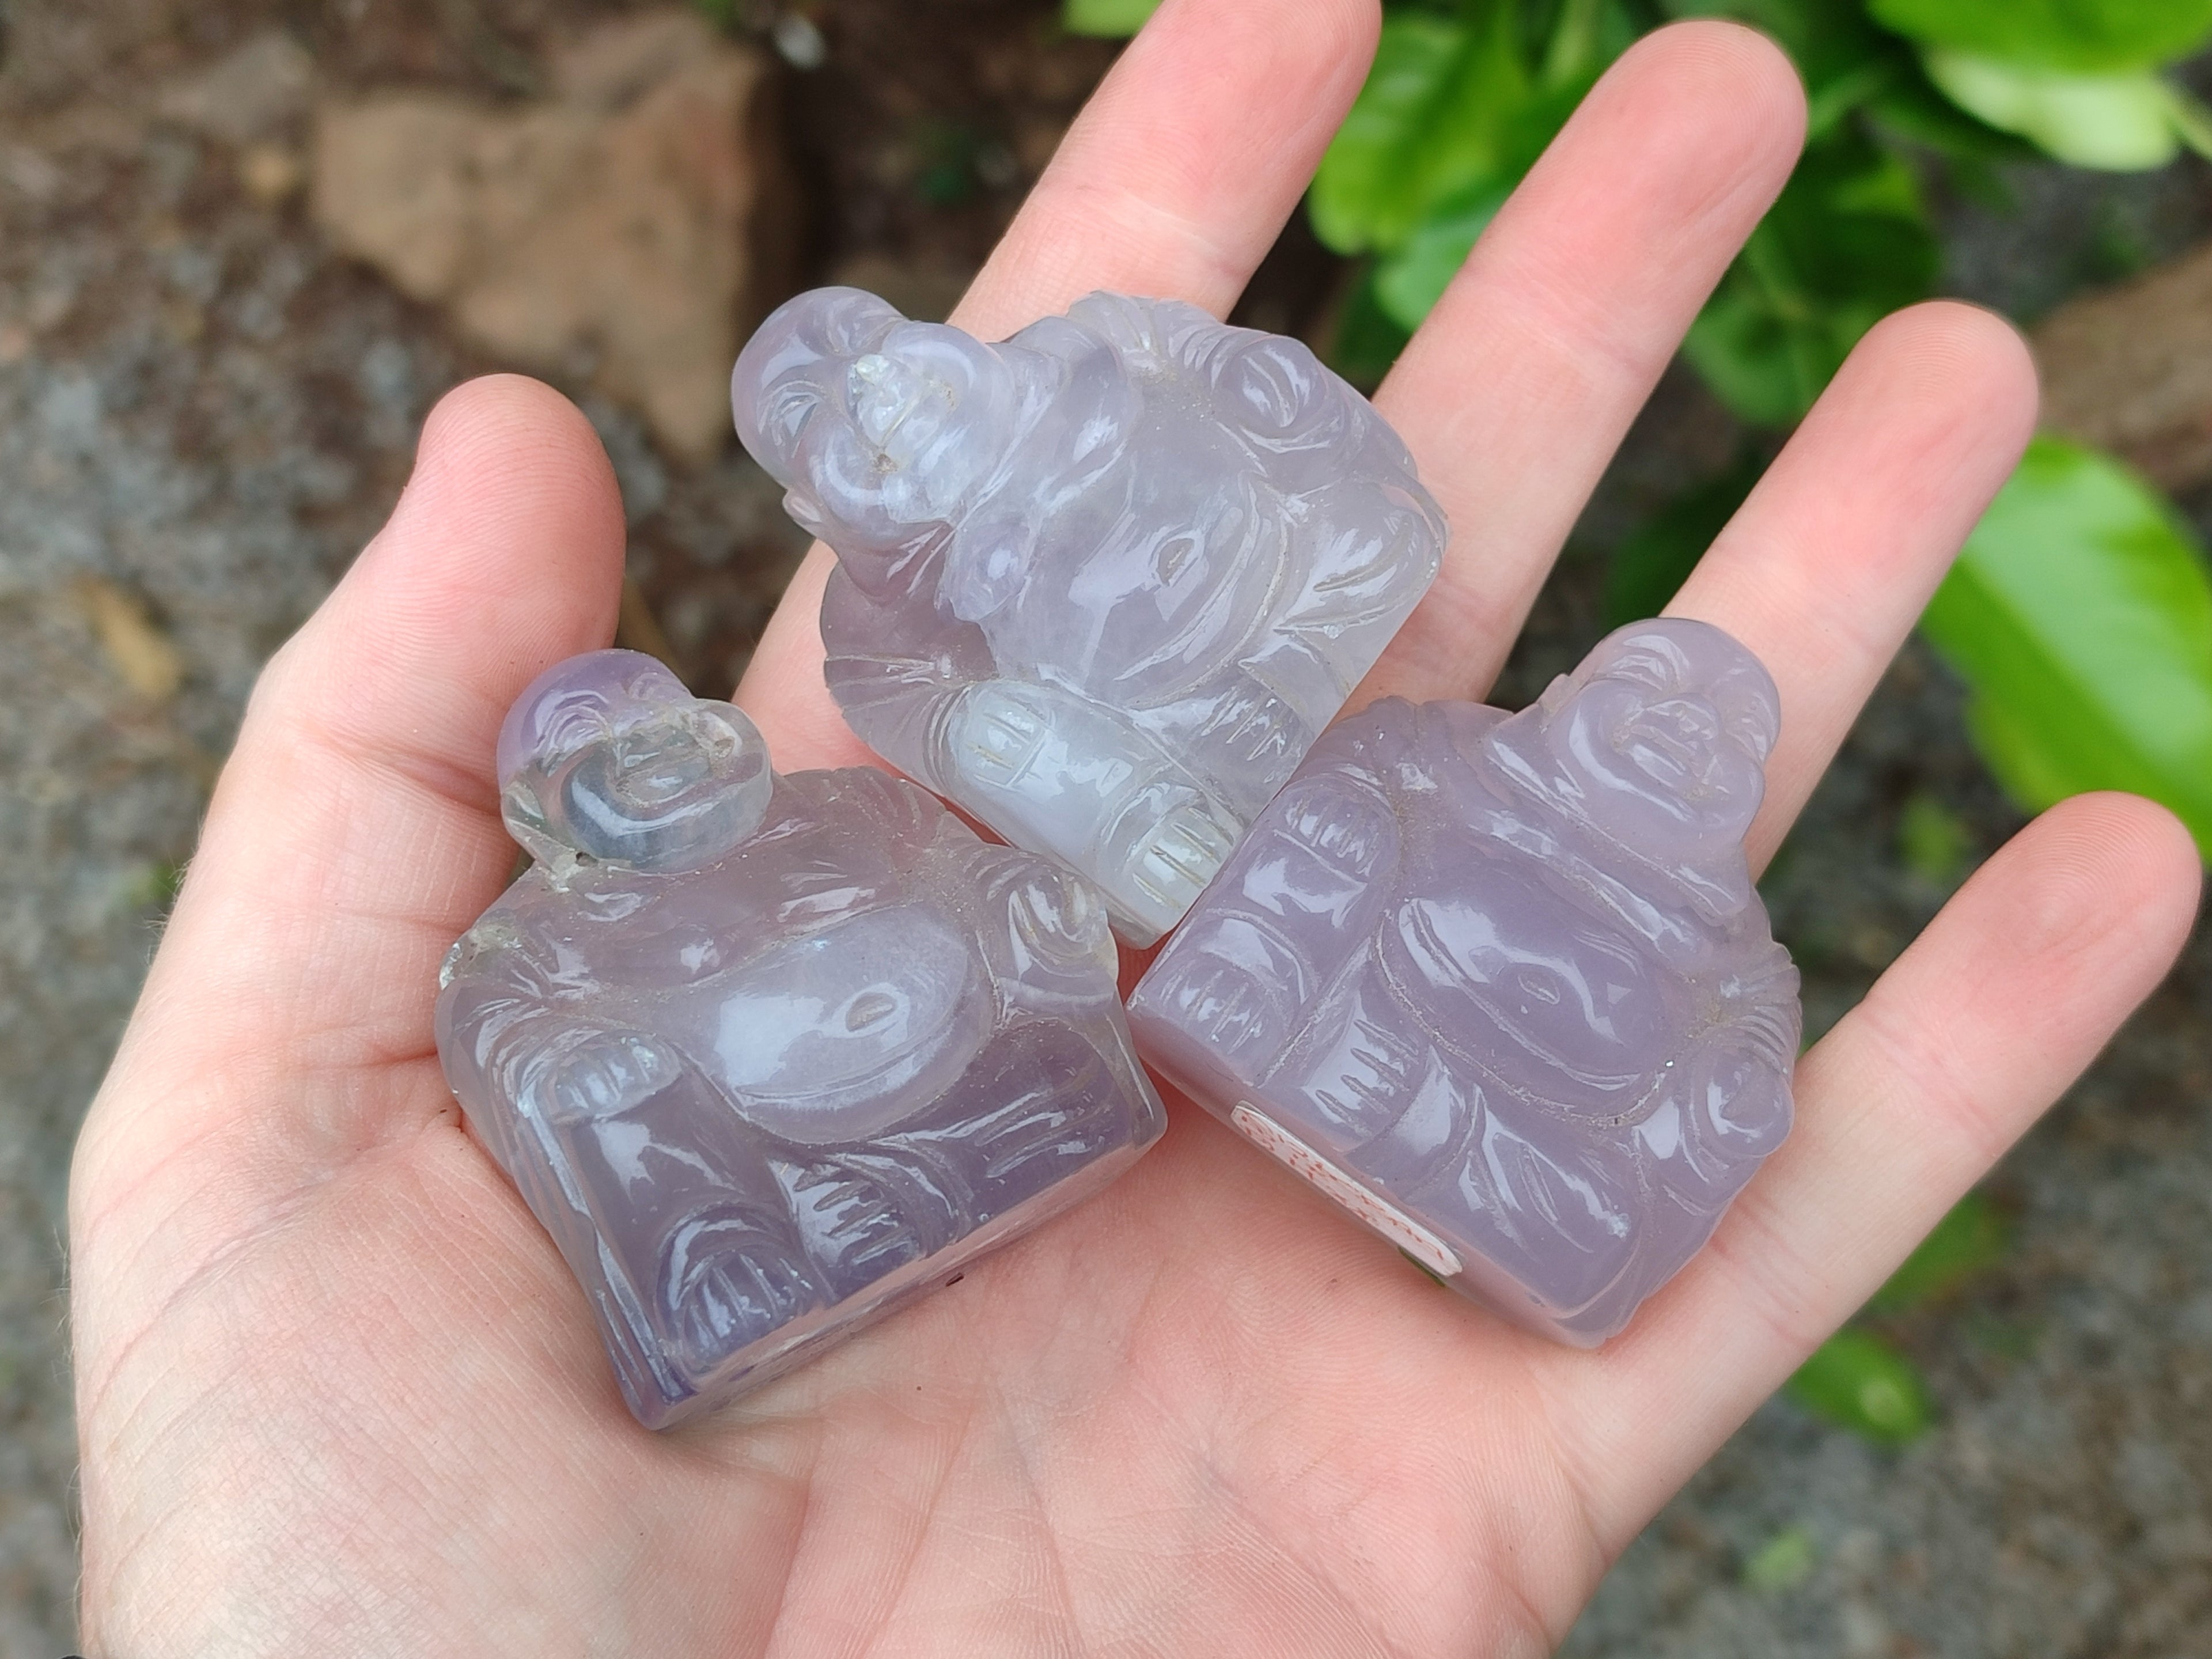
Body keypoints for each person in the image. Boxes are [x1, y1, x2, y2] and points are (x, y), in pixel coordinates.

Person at [67, 5, 2200, 1654]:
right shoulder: (798, 755)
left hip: (1271, 893)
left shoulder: (1153, 454)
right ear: (824, 516)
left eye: (888, 383)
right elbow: (1040, 884)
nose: (895, 439)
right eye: (845, 458)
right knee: (946, 1015)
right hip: (872, 1154)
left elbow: (1326, 506)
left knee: (1131, 941)